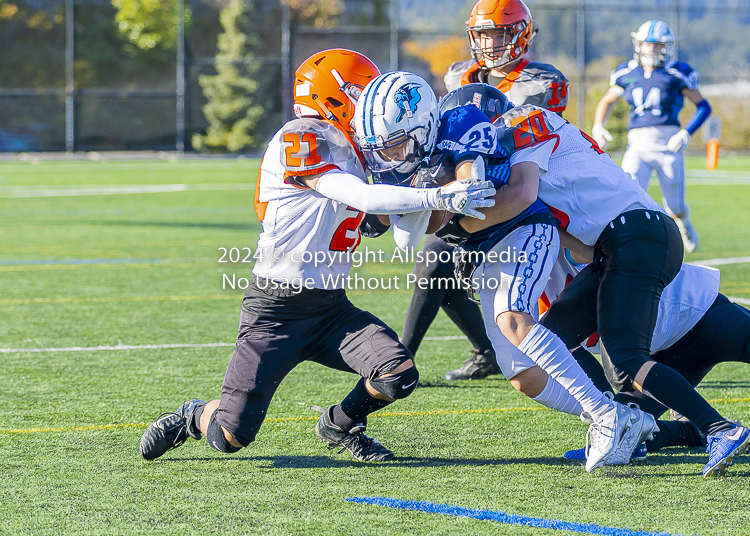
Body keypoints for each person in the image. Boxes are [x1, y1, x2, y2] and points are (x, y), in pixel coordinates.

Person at [138, 50, 496, 463]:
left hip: (330, 308)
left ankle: (340, 423)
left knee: (399, 374)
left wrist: (430, 177)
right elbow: (358, 196)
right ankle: (194, 416)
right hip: (273, 310)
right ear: (337, 96)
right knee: (229, 436)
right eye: (362, 93)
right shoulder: (301, 135)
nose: (370, 105)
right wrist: (433, 193)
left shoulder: (369, 152)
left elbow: (392, 230)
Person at [355, 71, 657, 473]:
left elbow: (470, 186)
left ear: (423, 123)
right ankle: (620, 416)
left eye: (394, 145)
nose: (388, 157)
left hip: (522, 232)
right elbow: (402, 226)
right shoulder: (407, 155)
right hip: (486, 253)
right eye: (380, 149)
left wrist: (436, 193)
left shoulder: (460, 122)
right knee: (521, 373)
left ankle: (606, 416)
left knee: (514, 317)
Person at [403, 0, 571, 382]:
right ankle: (404, 360)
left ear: (520, 34)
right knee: (435, 263)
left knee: (560, 300)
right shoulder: (460, 75)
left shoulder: (543, 82)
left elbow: (524, 143)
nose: (490, 43)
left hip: (525, 195)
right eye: (482, 34)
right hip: (471, 190)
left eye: (498, 34)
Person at [557, 262, 750, 475]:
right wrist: (608, 412)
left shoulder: (557, 245)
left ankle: (718, 428)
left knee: (622, 373)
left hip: (701, 312)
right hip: (669, 356)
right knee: (622, 432)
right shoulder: (533, 293)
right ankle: (692, 431)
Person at [592, 20, 711, 253]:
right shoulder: (626, 72)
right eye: (648, 45)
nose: (653, 50)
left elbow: (704, 106)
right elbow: (608, 100)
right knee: (628, 198)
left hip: (668, 146)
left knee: (674, 205)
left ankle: (684, 224)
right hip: (637, 146)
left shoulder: (677, 72)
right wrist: (598, 125)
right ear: (638, 45)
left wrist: (686, 132)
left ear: (667, 47)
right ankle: (631, 242)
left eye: (658, 45)